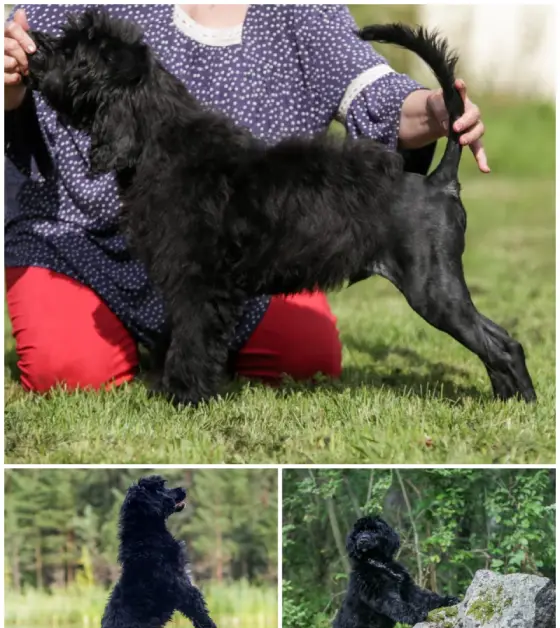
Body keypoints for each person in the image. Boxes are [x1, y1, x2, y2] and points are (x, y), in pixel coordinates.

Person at [4, 4, 488, 394]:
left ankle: (184, 348)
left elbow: (370, 88)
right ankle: (166, 345)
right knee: (67, 371)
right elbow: (33, 57)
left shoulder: (302, 12)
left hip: (233, 244)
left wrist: (435, 110)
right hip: (75, 239)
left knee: (303, 358)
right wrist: (10, 80)